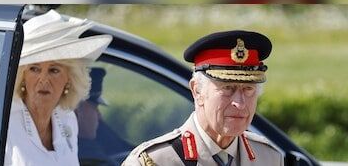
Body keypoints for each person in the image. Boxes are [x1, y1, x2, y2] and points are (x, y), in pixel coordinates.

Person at [0, 10, 112, 166]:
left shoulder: (67, 121)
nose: (43, 80)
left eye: (54, 70)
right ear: (22, 77)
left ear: (69, 79)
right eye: (34, 69)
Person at [122, 30, 284, 166]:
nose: (240, 103)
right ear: (197, 91)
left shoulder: (269, 158)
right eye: (228, 88)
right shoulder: (154, 161)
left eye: (248, 89)